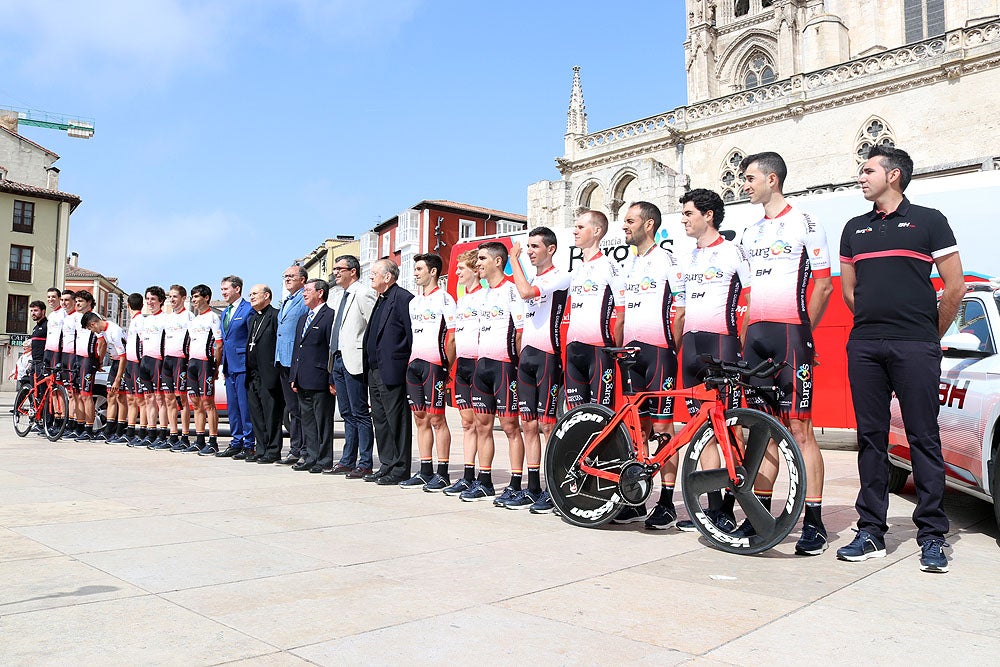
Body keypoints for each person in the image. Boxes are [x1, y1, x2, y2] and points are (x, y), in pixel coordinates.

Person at [837, 145, 963, 573]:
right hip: (866, 345)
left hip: (916, 345)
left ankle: (931, 535)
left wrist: (929, 333)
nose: (861, 177)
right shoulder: (854, 228)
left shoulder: (929, 220)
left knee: (923, 437)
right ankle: (870, 530)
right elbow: (849, 291)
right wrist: (873, 323)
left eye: (867, 170)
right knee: (870, 438)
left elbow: (955, 285)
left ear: (893, 176)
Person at [737, 151, 834, 556]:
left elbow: (825, 285)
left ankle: (814, 522)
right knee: (760, 431)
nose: (745, 184)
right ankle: (759, 516)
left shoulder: (805, 221)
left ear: (772, 179)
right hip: (756, 339)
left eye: (750, 177)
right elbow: (746, 293)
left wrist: (803, 332)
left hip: (791, 336)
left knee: (800, 430)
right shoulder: (747, 233)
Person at [673, 188, 749, 533]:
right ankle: (713, 507)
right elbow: (682, 308)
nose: (684, 219)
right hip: (690, 347)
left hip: (722, 344)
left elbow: (749, 302)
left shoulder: (734, 251)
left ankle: (732, 506)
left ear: (709, 215)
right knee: (702, 430)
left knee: (729, 429)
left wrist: (740, 347)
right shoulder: (685, 257)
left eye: (689, 213)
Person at [611, 201, 683, 527]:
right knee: (637, 430)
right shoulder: (629, 265)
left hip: (658, 353)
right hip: (632, 355)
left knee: (664, 428)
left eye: (630, 221)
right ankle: (638, 498)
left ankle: (667, 504)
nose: (624, 226)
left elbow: (681, 311)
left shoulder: (667, 260)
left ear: (649, 224)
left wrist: (670, 349)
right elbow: (622, 314)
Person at [507, 227, 570, 511]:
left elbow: (524, 291)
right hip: (528, 357)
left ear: (551, 249)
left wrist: (514, 258)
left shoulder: (560, 275)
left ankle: (552, 487)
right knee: (527, 424)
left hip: (548, 355)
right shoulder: (533, 276)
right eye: (527, 246)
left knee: (547, 425)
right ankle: (532, 487)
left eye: (535, 246)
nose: (530, 251)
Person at [461, 241, 525, 503]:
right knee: (481, 425)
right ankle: (484, 481)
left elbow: (520, 331)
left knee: (510, 427)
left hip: (504, 366)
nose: (478, 264)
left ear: (498, 261)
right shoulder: (482, 295)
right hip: (481, 366)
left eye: (483, 259)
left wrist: (517, 364)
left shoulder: (511, 291)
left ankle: (517, 483)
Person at [401, 253, 456, 490]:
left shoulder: (446, 299)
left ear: (433, 272)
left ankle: (442, 472)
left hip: (436, 364)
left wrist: (447, 367)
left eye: (419, 269)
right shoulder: (414, 302)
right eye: (415, 269)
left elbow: (452, 336)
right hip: (414, 364)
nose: (415, 273)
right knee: (420, 418)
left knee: (437, 418)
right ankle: (425, 470)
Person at [564, 210, 625, 409]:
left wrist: (616, 348)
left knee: (601, 417)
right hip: (573, 350)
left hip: (598, 349)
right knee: (575, 417)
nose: (575, 231)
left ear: (597, 231)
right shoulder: (576, 269)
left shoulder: (609, 266)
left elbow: (622, 313)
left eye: (581, 227)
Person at [362, 259, 414, 485]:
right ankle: (387, 463)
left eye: (375, 273)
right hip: (374, 369)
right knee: (381, 420)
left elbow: (410, 335)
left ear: (388, 276)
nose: (371, 276)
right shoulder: (380, 299)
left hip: (393, 369)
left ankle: (401, 468)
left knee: (397, 420)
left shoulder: (403, 298)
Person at [326, 255, 378, 479]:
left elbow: (372, 325)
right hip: (337, 358)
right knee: (346, 412)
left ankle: (365, 462)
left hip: (354, 359)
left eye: (340, 269)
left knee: (359, 413)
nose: (336, 273)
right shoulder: (339, 296)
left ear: (353, 271)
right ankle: (347, 460)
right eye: (335, 269)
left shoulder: (363, 293)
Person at [443, 249, 484, 496]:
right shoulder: (462, 300)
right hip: (463, 365)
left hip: (482, 365)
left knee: (482, 424)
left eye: (461, 269)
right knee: (467, 423)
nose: (456, 272)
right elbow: (454, 338)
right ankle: (468, 475)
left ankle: (484, 476)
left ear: (475, 271)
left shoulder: (485, 297)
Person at [289, 278, 336, 473]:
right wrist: (294, 375)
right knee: (307, 420)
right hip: (302, 378)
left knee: (322, 421)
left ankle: (324, 460)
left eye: (308, 290)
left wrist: (331, 378)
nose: (304, 293)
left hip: (320, 379)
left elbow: (332, 350)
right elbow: (297, 350)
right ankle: (310, 455)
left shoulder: (329, 316)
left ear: (320, 293)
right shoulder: (303, 318)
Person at [246, 284, 284, 463]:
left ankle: (273, 450)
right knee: (257, 414)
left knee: (271, 415)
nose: (251, 297)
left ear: (267, 295)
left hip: (269, 375)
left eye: (255, 294)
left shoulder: (275, 316)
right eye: (250, 294)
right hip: (252, 374)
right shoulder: (253, 319)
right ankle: (260, 448)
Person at [275, 265, 309, 465]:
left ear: (302, 279)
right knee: (292, 408)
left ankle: (303, 449)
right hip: (282, 359)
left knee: (299, 408)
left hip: (295, 360)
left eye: (291, 276)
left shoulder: (303, 299)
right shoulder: (287, 300)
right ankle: (295, 448)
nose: (287, 279)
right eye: (285, 276)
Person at [218, 275, 255, 458]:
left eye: (226, 289)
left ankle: (249, 443)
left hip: (242, 364)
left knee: (244, 406)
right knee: (232, 407)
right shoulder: (225, 312)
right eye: (222, 289)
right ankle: (236, 441)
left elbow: (251, 339)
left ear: (237, 289)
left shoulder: (248, 309)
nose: (223, 293)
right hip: (228, 365)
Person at [187, 285, 224, 455]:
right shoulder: (193, 320)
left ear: (206, 297)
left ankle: (213, 441)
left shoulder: (214, 317)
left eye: (196, 296)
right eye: (192, 297)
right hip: (192, 364)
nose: (193, 300)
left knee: (208, 402)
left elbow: (219, 344)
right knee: (195, 403)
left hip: (205, 364)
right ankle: (199, 439)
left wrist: (215, 367)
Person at [82, 312, 127, 441]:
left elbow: (124, 356)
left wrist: (118, 379)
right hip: (115, 362)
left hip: (124, 362)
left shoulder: (114, 331)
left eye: (90, 329)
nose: (92, 331)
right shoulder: (103, 329)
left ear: (93, 324)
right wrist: (100, 362)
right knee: (111, 395)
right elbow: (104, 344)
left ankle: (120, 430)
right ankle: (109, 429)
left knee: (120, 396)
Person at [162, 285, 194, 450]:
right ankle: (173, 434)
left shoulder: (189, 316)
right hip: (167, 360)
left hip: (181, 360)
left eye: (175, 297)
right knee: (169, 399)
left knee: (182, 399)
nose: (172, 300)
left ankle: (185, 436)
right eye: (170, 297)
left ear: (183, 298)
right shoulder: (168, 318)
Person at [137, 286, 168, 448]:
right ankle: (151, 433)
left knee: (160, 399)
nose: (149, 302)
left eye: (153, 299)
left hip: (158, 361)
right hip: (145, 361)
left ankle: (163, 434)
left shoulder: (166, 319)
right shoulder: (145, 320)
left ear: (161, 301)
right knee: (148, 398)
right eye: (147, 299)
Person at [117, 293, 147, 446]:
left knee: (140, 399)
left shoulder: (140, 320)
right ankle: (129, 431)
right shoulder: (134, 320)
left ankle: (142, 432)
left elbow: (142, 343)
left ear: (128, 306)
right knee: (131, 399)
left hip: (137, 363)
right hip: (130, 363)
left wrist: (141, 363)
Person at [72, 290, 101, 441]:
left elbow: (102, 341)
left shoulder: (95, 318)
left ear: (89, 303)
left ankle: (89, 428)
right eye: (76, 301)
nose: (77, 304)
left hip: (88, 360)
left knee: (86, 395)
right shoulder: (77, 318)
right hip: (77, 358)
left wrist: (99, 360)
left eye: (80, 301)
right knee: (77, 394)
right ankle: (80, 426)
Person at [59, 289, 80, 436]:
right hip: (64, 356)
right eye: (62, 300)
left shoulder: (77, 318)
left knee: (74, 393)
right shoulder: (65, 317)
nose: (64, 303)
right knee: (68, 392)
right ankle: (67, 423)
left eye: (67, 300)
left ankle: (74, 424)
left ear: (74, 301)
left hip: (74, 356)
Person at [42, 287, 63, 377]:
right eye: (49, 297)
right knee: (47, 379)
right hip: (48, 350)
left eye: (53, 297)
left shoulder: (64, 313)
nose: (50, 299)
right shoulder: (50, 315)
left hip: (58, 351)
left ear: (59, 298)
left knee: (56, 381)